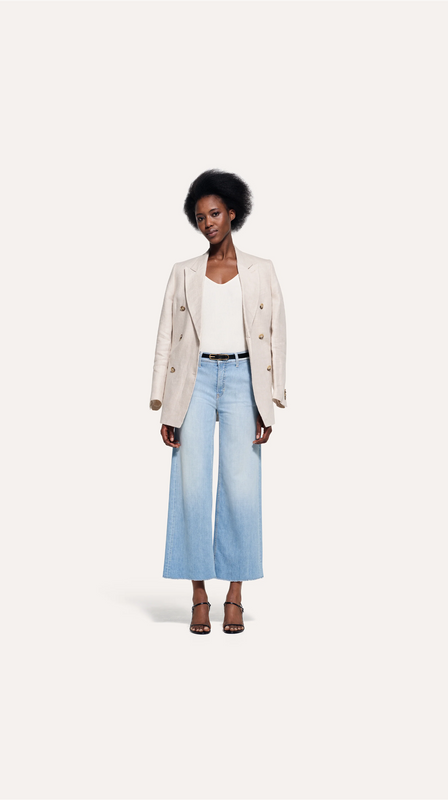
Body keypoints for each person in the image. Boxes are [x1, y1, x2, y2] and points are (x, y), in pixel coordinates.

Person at [149, 169, 287, 634]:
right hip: (195, 381)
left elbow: (277, 334)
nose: (206, 222)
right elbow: (166, 337)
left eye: (213, 214)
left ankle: (234, 596)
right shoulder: (183, 272)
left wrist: (271, 399)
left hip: (244, 379)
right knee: (190, 486)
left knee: (241, 488)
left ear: (232, 212)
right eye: (199, 217)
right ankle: (198, 596)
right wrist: (162, 402)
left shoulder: (261, 269)